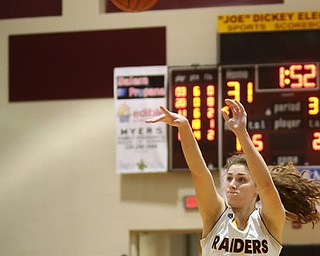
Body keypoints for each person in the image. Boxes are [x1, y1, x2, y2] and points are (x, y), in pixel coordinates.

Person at [145, 99, 320, 255]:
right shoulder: (215, 214)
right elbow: (200, 174)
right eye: (229, 178)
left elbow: (266, 184)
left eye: (241, 179)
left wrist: (242, 134)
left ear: (256, 188)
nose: (232, 184)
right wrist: (184, 128)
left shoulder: (270, 220)